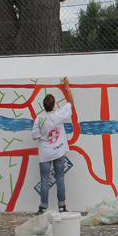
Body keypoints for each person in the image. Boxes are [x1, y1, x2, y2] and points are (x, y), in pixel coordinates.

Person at [32, 77, 75, 215]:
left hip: (45, 153)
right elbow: (71, 103)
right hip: (59, 151)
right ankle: (62, 206)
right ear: (53, 104)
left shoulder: (39, 119)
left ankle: (43, 207)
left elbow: (35, 136)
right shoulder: (58, 115)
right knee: (60, 178)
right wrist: (67, 86)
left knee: (44, 179)